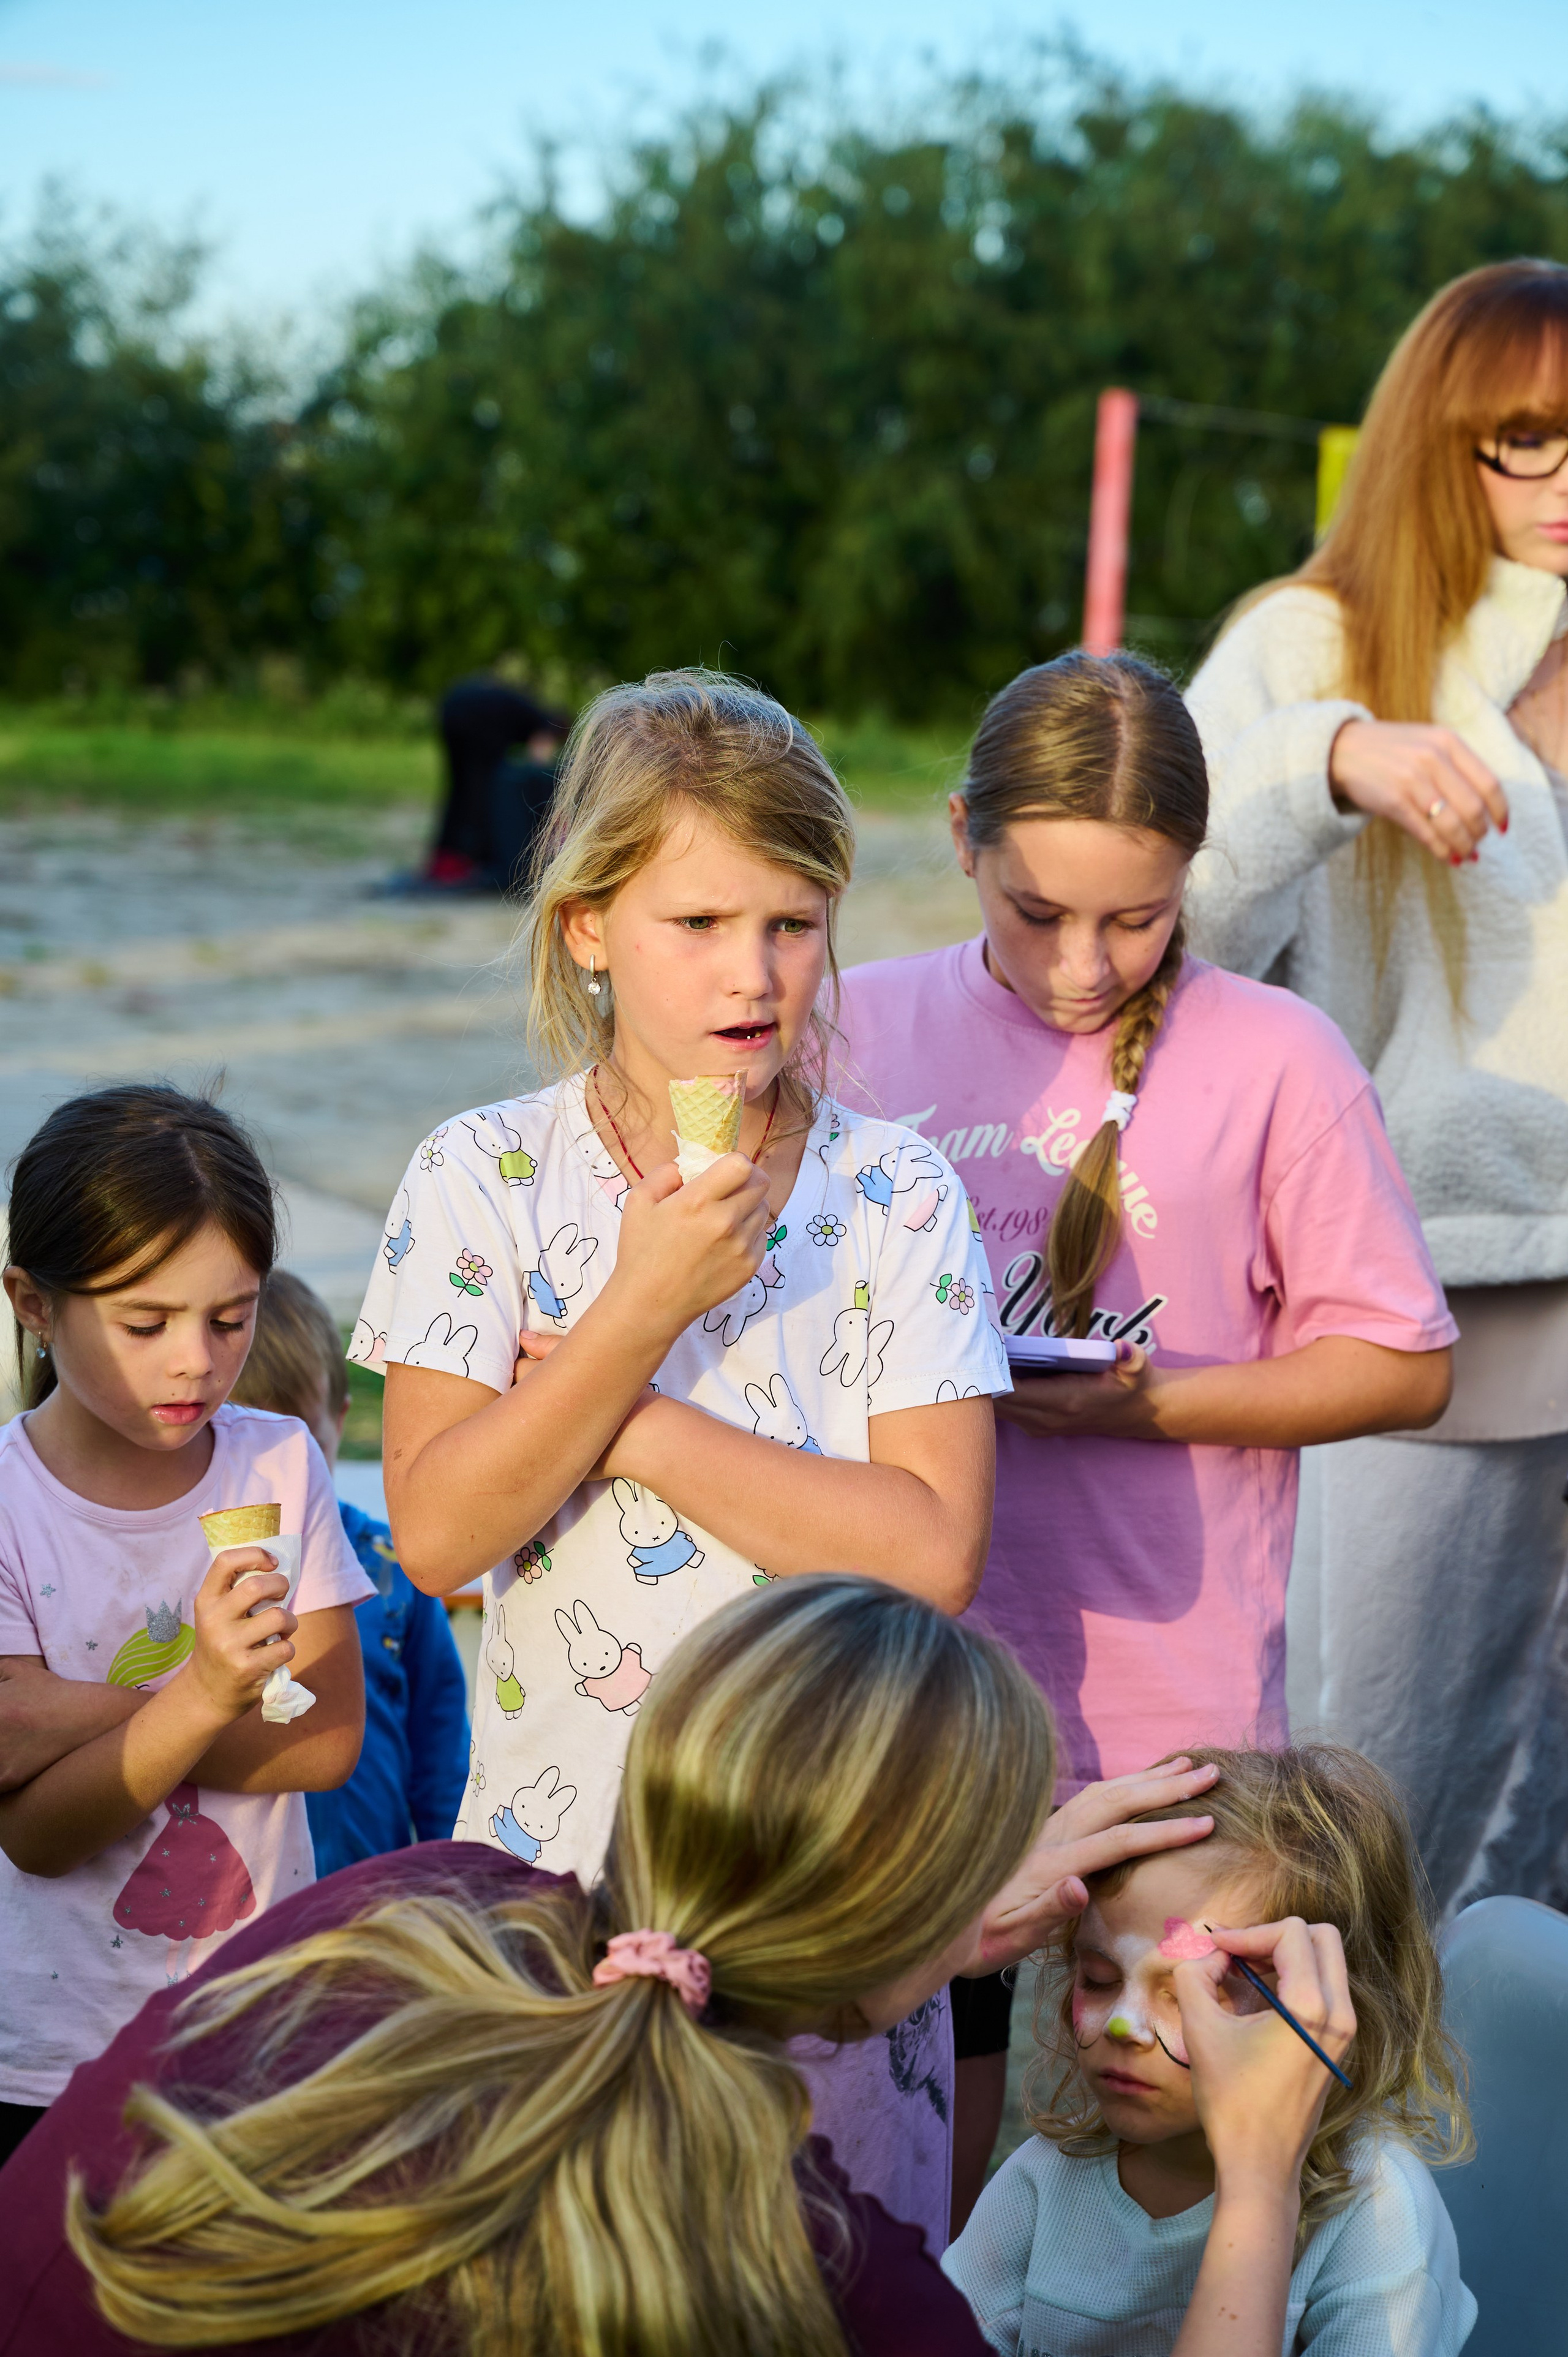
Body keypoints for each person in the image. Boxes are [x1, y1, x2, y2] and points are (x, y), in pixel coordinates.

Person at [350, 665, 1014, 2250]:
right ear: (588, 927)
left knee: (822, 2277)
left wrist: (624, 1418)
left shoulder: (898, 1194)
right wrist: (642, 1303)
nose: (755, 974)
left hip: (837, 1898)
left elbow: (930, 1553)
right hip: (557, 1906)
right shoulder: (483, 1183)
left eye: (792, 924)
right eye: (698, 925)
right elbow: (439, 1534)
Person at [5, 1578, 1350, 2357]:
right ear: (909, 1938)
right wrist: (1253, 2185)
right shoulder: (824, 2268)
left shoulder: (416, 1896)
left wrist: (908, 1937)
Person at [837, 649, 1455, 2227]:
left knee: (1146, 2184)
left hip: (1172, 1741)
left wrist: (1147, 1398)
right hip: (912, 1705)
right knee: (935, 2189)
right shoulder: (856, 1027)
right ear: (963, 838)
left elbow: (1399, 1362)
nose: (1080, 963)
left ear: (1191, 873)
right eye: (1035, 911)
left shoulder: (1274, 1058)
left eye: (1137, 914)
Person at [1184, 257, 1568, 1915]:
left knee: (1545, 1811)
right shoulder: (1311, 638)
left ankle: (1497, 2157)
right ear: (1438, 442)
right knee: (1367, 1768)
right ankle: (1317, 2141)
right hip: (1417, 1292)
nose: (1561, 487)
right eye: (1526, 442)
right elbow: (1164, 894)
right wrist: (1333, 760)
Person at [0, 1086, 371, 2170]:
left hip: (257, 2028)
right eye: (143, 1322)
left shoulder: (278, 1460)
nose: (196, 1363)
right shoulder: (12, 1506)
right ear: (32, 1301)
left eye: (231, 1314)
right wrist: (215, 1690)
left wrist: (63, 1715)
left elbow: (325, 1738)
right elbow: (37, 1833)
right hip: (46, 2058)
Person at [946, 1743, 1475, 2356]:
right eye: (1097, 1975)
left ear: (1333, 2007)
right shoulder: (1044, 2180)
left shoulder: (1375, 2213)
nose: (1124, 2025)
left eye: (1195, 1991)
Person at [230, 1269, 469, 1873]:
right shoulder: (197, 1575)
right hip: (234, 1902)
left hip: (372, 1900)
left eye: (299, 1445)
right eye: (248, 1450)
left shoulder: (393, 1566)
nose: (278, 1474)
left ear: (338, 1420)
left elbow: (441, 1749)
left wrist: (456, 1878)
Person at [421, 673, 571, 890]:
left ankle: (450, 855)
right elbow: (538, 764)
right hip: (476, 719)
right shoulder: (543, 724)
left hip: (452, 708)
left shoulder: (523, 708)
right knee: (482, 793)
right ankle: (470, 856)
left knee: (460, 790)